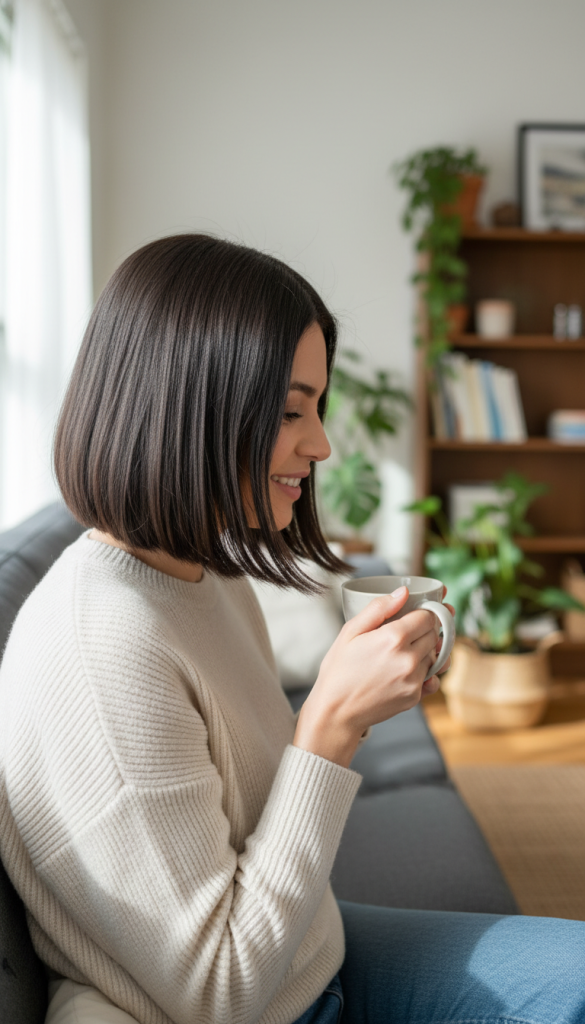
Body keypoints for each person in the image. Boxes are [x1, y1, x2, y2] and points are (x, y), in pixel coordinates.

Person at [0, 234, 584, 1024]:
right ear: (186, 406)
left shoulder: (204, 572)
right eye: (287, 411)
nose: (321, 444)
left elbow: (255, 816)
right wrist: (331, 725)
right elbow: (218, 991)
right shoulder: (102, 649)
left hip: (312, 961)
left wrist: (359, 703)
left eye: (317, 406)